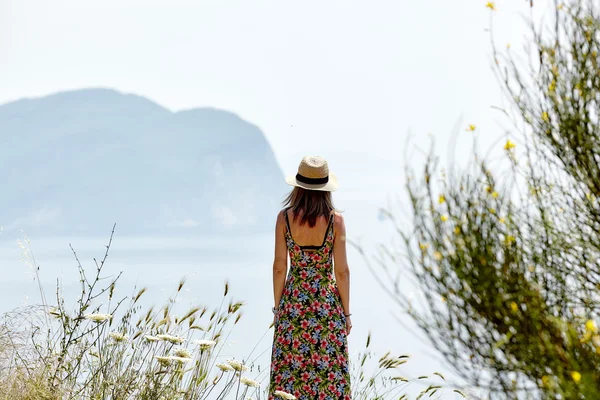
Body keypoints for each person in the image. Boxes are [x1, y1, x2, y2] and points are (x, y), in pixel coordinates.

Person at [268, 155, 352, 400]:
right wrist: (346, 314)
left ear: (298, 187)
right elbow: (342, 272)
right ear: (325, 189)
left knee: (290, 379)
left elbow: (279, 267)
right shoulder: (336, 221)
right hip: (326, 307)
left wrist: (278, 308)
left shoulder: (284, 218)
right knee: (329, 378)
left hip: (293, 307)